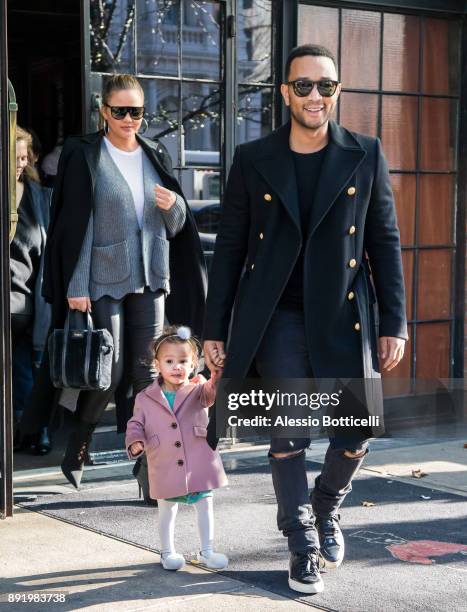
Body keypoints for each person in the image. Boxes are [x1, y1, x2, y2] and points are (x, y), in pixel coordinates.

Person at [203, 44, 407, 594]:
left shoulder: (365, 153)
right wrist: (214, 329)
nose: (315, 95)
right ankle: (301, 543)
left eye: (326, 85)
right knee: (289, 431)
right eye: (303, 86)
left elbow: (383, 243)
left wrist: (396, 321)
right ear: (284, 92)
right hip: (278, 316)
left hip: (344, 311)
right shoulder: (254, 157)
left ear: (337, 90)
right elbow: (229, 249)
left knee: (354, 432)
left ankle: (325, 507)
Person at [21, 74, 207, 490]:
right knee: (109, 370)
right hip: (101, 278)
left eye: (136, 111)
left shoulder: (155, 153)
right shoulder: (84, 153)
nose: (128, 119)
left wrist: (176, 204)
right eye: (120, 110)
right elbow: (73, 222)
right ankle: (79, 444)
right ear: (104, 111)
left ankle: (149, 473)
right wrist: (76, 282)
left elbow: (177, 227)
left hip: (151, 277)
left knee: (147, 375)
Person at [126, 325, 228, 571]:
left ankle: (207, 551)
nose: (176, 366)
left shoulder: (198, 388)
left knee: (205, 504)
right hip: (166, 460)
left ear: (193, 364)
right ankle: (167, 552)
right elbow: (135, 423)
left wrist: (215, 376)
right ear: (157, 365)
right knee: (167, 509)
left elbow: (211, 394)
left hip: (198, 459)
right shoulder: (145, 397)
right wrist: (135, 440)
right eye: (169, 361)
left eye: (183, 361)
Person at [11, 126, 51, 454]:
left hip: (27, 300)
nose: (22, 163)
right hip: (13, 300)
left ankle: (32, 430)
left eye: (25, 157)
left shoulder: (37, 196)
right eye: (16, 157)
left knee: (26, 367)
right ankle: (30, 431)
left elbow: (43, 249)